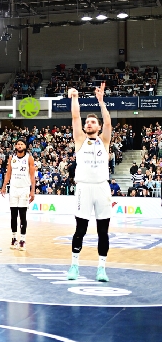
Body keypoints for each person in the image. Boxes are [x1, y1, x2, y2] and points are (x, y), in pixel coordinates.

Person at [66, 82, 112, 282]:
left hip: (102, 188)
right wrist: (75, 98)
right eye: (88, 122)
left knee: (103, 231)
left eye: (93, 122)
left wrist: (101, 102)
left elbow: (108, 123)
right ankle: (74, 266)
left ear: (99, 127)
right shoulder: (79, 140)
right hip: (83, 188)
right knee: (80, 230)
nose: (89, 124)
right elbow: (75, 117)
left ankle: (101, 269)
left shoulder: (105, 141)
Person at [1, 138, 35, 251]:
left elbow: (32, 175)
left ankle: (23, 240)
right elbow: (8, 173)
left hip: (24, 189)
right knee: (13, 215)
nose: (20, 146)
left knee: (23, 215)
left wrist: (32, 190)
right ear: (15, 146)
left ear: (25, 146)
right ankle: (14, 238)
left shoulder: (29, 158)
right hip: (13, 189)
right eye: (18, 144)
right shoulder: (12, 158)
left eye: (22, 144)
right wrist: (4, 186)